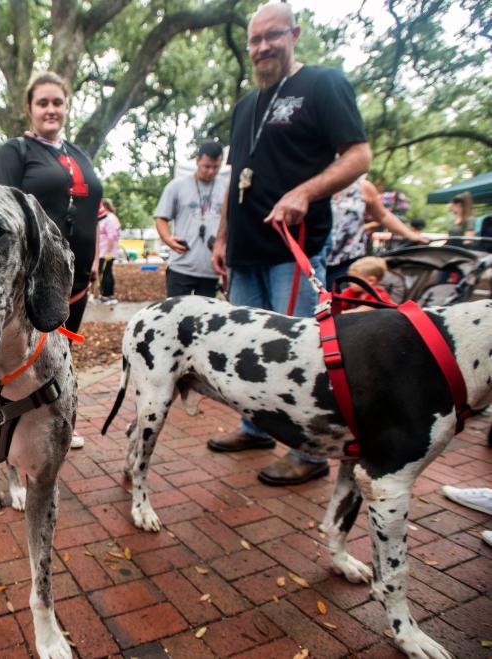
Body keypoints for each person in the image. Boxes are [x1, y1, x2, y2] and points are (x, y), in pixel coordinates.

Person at [208, 3, 371, 485]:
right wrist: (222, 237)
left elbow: (359, 155)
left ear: (294, 34)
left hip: (293, 249)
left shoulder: (323, 84)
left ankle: (310, 452)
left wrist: (304, 192)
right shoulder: (245, 105)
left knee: (299, 354)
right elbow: (235, 176)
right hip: (245, 252)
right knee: (244, 349)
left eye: (272, 36)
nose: (262, 48)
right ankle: (253, 426)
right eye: (254, 40)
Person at [0, 71, 104, 449]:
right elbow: (1, 212)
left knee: (62, 353)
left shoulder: (79, 154)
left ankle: (57, 424)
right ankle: (6, 429)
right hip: (36, 277)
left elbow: (94, 210)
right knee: (26, 353)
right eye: (43, 103)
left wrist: (96, 259)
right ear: (29, 109)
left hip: (78, 275)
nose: (51, 109)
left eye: (58, 102)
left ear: (67, 106)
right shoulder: (15, 152)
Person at [155, 141, 227, 297]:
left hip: (211, 269)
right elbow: (161, 217)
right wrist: (168, 239)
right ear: (197, 161)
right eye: (206, 166)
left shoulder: (226, 187)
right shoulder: (177, 186)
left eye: (216, 167)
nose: (211, 171)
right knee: (177, 317)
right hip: (181, 266)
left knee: (206, 319)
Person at [326, 177, 428, 289]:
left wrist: (411, 235)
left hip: (348, 259)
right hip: (312, 257)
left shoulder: (362, 187)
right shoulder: (313, 180)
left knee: (342, 297)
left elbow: (383, 216)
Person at [94, 199, 121, 305]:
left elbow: (111, 236)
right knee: (105, 273)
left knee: (106, 273)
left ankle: (108, 296)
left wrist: (108, 252)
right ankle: (105, 295)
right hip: (102, 251)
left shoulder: (110, 218)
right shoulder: (106, 218)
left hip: (106, 252)